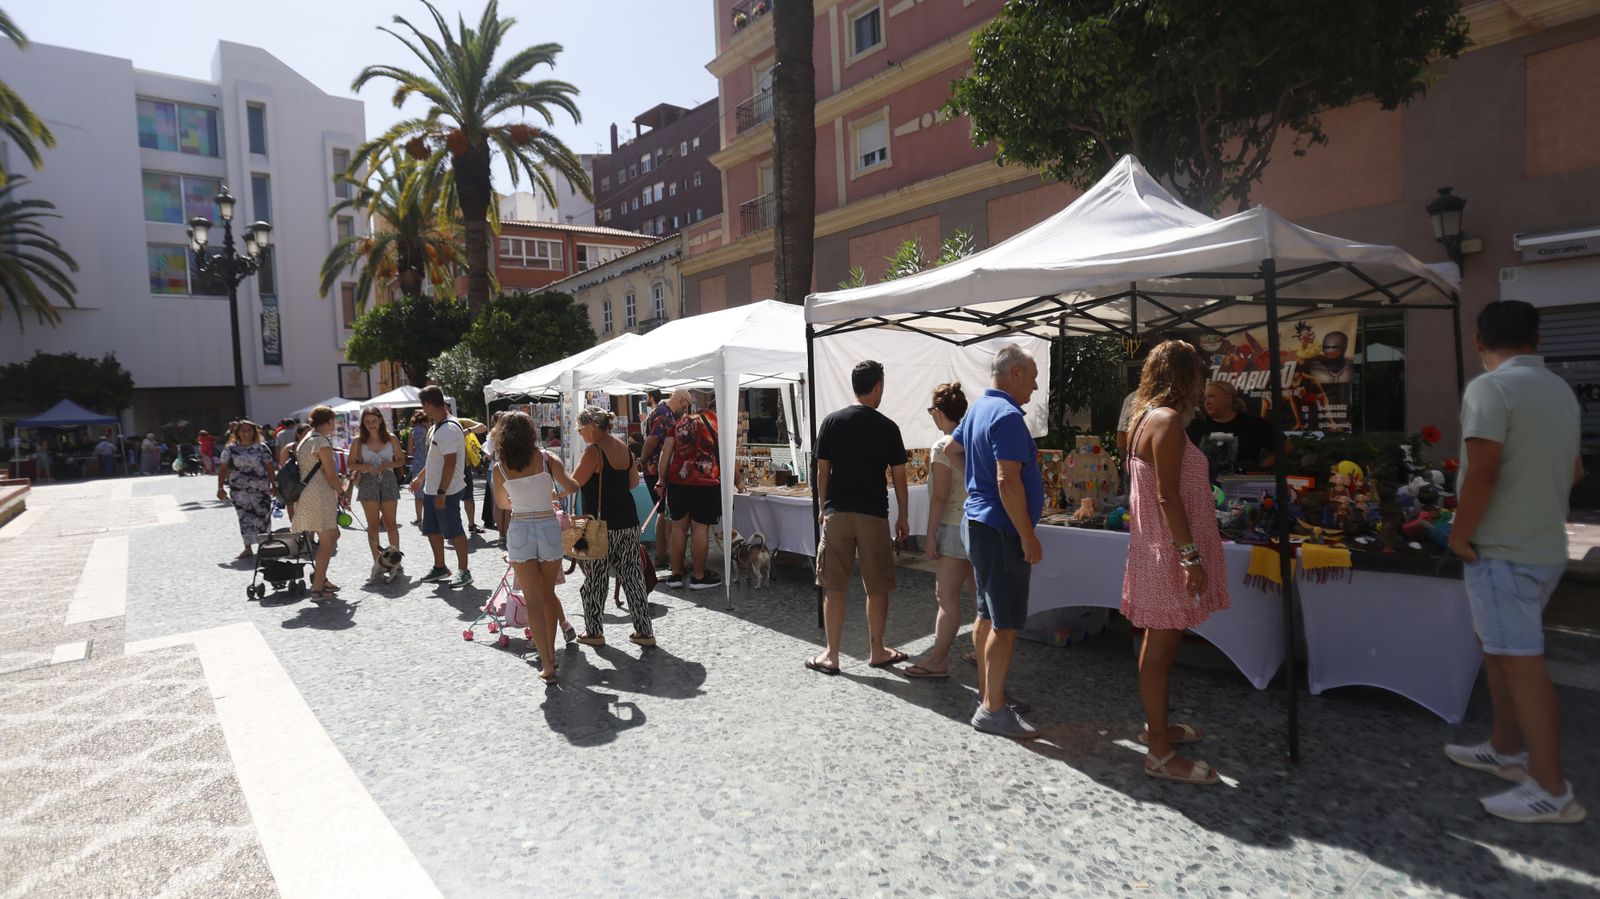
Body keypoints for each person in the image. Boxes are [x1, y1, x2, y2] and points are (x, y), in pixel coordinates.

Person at [1445, 300, 1586, 824]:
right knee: (1501, 651)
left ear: (1480, 342)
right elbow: (1572, 470)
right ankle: (1505, 751)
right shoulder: (1558, 390)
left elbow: (1482, 473)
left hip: (1501, 549)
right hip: (1543, 546)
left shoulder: (1490, 387)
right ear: (1538, 339)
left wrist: (1460, 537)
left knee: (1521, 663)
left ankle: (1551, 789)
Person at [1122, 340, 1230, 783]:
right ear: (1185, 375)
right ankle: (1160, 755)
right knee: (1161, 651)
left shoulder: (1144, 419)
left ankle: (1157, 728)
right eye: (1199, 374)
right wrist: (1190, 558)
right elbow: (1166, 495)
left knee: (1159, 647)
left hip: (1158, 551)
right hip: (1168, 554)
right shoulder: (1165, 421)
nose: (1203, 382)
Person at [947, 346, 1044, 737]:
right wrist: (1027, 535)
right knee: (1004, 624)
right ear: (1016, 373)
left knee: (987, 615)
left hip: (978, 523)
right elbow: (1008, 481)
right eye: (1033, 377)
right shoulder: (1006, 416)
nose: (1036, 386)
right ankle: (992, 708)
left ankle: (991, 695)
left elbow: (954, 450)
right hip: (1000, 530)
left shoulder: (977, 409)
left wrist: (977, 485)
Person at [804, 360, 910, 675]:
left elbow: (822, 471)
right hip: (874, 514)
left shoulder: (832, 422)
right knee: (877, 586)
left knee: (833, 586)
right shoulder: (888, 427)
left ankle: (832, 655)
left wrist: (823, 507)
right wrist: (903, 515)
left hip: (837, 513)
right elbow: (900, 477)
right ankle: (877, 650)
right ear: (877, 386)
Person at [492, 411, 581, 684]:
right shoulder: (547, 459)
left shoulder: (500, 467)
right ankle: (551, 655)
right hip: (546, 525)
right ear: (532, 432)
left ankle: (547, 663)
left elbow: (503, 504)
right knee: (547, 595)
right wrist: (552, 494)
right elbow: (573, 485)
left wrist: (521, 497)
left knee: (533, 601)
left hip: (520, 526)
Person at [906, 382, 976, 680]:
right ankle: (983, 648)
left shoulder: (942, 447)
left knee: (945, 597)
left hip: (952, 525)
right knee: (978, 595)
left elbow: (940, 496)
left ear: (938, 412)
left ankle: (937, 659)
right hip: (976, 523)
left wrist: (929, 532)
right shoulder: (972, 440)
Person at [570, 406, 657, 647]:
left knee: (595, 579)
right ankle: (644, 631)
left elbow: (574, 483)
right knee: (633, 577)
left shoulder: (593, 451)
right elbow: (631, 484)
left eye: (580, 428)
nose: (579, 433)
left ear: (591, 427)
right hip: (628, 521)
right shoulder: (625, 449)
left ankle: (594, 632)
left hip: (597, 524)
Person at [656, 391, 723, 590]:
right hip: (705, 481)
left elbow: (665, 453)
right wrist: (737, 481)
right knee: (700, 530)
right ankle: (698, 576)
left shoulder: (680, 423)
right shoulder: (714, 423)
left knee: (678, 528)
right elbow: (727, 455)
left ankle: (676, 574)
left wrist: (661, 480)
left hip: (678, 482)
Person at [409, 385, 472, 588]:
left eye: (423, 406)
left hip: (447, 490)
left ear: (428, 404)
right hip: (433, 488)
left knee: (454, 531)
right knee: (432, 529)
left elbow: (451, 463)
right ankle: (440, 567)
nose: (423, 410)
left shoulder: (448, 428)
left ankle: (464, 571)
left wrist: (442, 492)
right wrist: (420, 478)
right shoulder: (437, 426)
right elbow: (434, 460)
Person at [348, 406, 406, 583]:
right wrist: (365, 467)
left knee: (390, 524)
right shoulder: (359, 441)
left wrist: (387, 465)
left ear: (380, 420)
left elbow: (401, 460)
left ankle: (395, 560)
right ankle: (378, 562)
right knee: (372, 525)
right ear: (363, 424)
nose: (371, 424)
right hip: (368, 482)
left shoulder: (391, 438)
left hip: (387, 479)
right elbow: (350, 464)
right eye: (367, 422)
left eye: (374, 420)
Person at [292, 406, 345, 598]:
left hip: (307, 494)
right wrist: (342, 492)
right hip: (319, 495)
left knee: (333, 535)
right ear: (329, 421)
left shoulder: (306, 438)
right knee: (327, 541)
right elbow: (331, 475)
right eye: (334, 421)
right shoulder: (321, 442)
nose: (335, 425)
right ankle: (317, 588)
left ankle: (320, 578)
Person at [641, 389, 689, 568]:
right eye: (686, 407)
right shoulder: (665, 414)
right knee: (668, 515)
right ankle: (671, 558)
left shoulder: (661, 412)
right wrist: (644, 460)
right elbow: (653, 440)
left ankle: (662, 556)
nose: (685, 412)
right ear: (682, 401)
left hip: (654, 470)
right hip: (657, 471)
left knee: (662, 513)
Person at [216, 420, 277, 558]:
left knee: (263, 515)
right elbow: (223, 468)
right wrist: (220, 487)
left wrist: (274, 483)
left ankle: (265, 544)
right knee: (244, 517)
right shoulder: (230, 449)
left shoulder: (262, 447)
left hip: (260, 488)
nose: (246, 433)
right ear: (237, 432)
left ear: (254, 432)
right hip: (239, 489)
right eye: (243, 430)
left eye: (249, 430)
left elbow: (269, 467)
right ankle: (247, 547)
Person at [1186, 380, 1275, 471]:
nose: (1207, 402)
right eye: (1205, 398)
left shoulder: (1253, 423)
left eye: (1212, 396)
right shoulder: (1196, 425)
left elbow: (1286, 446)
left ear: (1228, 398)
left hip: (1242, 483)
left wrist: (1261, 469)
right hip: (1204, 483)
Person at [407, 409, 430, 526]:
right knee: (429, 491)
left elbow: (410, 451)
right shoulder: (431, 429)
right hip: (431, 462)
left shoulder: (413, 431)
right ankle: (431, 518)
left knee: (418, 491)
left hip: (418, 462)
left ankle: (419, 518)